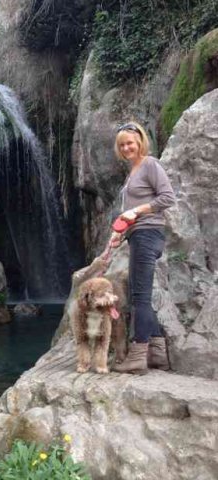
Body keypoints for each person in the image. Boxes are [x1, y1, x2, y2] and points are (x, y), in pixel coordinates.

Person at [111, 121, 176, 374]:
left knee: (140, 298)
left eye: (130, 142)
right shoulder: (133, 171)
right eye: (122, 145)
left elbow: (167, 197)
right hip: (137, 235)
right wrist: (119, 234)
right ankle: (158, 354)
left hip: (148, 234)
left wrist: (136, 210)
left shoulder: (150, 164)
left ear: (140, 141)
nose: (127, 147)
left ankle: (138, 355)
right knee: (142, 296)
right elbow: (129, 215)